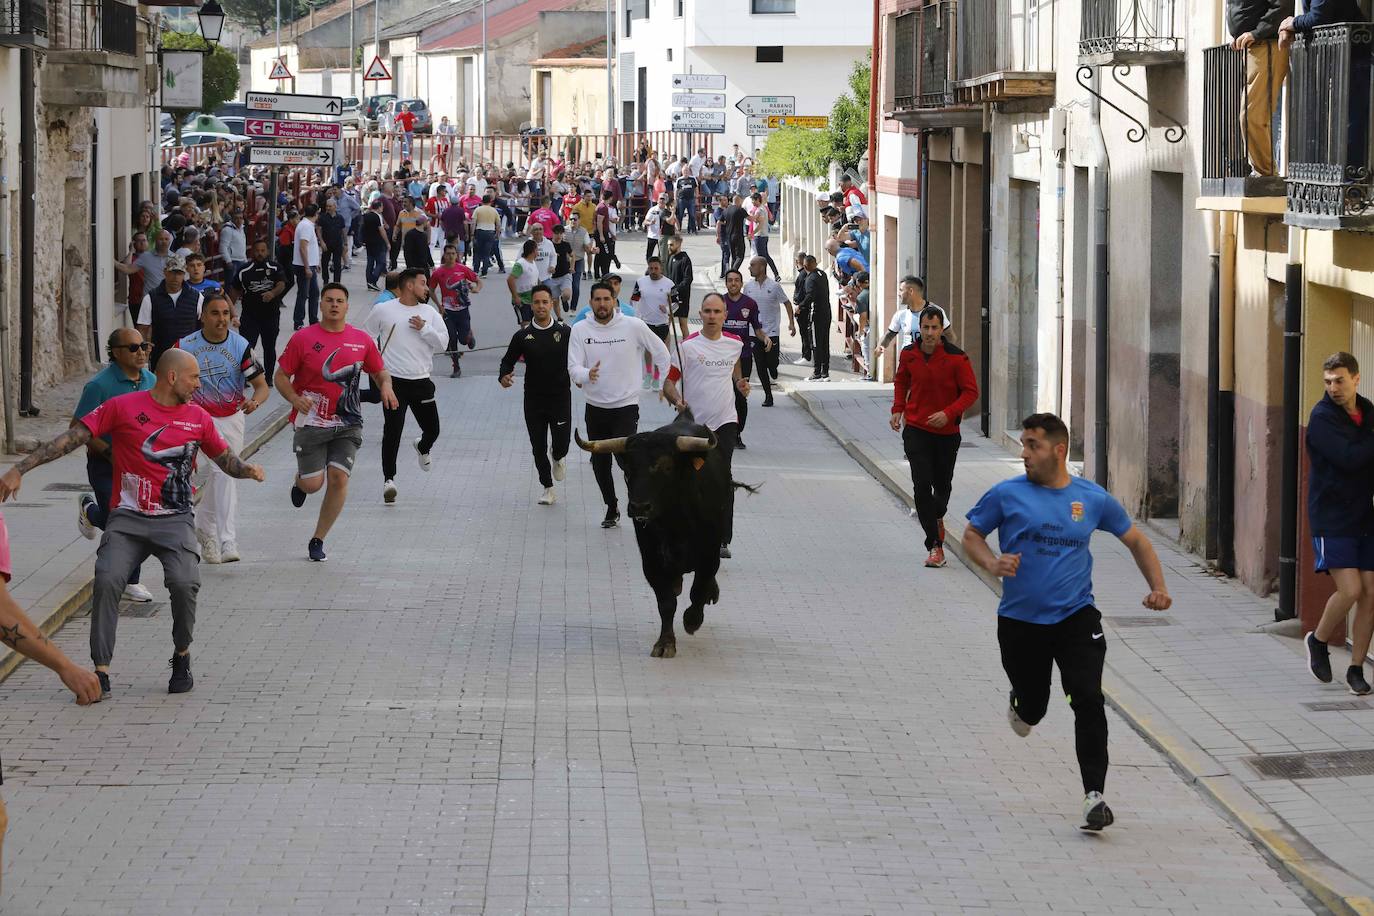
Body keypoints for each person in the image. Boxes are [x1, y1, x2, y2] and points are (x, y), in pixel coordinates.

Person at [1, 350, 266, 696]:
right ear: (172, 377)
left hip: (175, 520)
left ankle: (181, 654)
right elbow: (70, 440)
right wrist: (20, 469)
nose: (199, 384)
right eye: (194, 377)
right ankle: (102, 670)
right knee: (108, 578)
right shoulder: (123, 407)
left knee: (185, 583)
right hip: (127, 519)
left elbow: (225, 459)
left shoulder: (198, 418)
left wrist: (248, 471)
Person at [962, 412, 1171, 832]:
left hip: (1077, 617)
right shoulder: (1007, 494)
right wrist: (992, 563)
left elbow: (1136, 539)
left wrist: (1159, 587)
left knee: (1088, 699)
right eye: (1022, 444)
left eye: (1032, 445)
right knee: (1034, 709)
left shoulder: (1091, 498)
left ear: (1059, 450)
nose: (1024, 453)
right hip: (1021, 622)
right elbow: (970, 535)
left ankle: (1094, 795)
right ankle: (1021, 703)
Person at [277, 283, 397, 561]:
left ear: (347, 306)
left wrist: (387, 387)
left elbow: (380, 372)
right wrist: (295, 399)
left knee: (339, 478)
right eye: (329, 300)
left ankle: (318, 539)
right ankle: (300, 482)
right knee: (313, 485)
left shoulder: (361, 340)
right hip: (311, 423)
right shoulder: (303, 338)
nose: (334, 305)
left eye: (340, 301)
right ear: (320, 304)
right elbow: (281, 376)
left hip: (348, 422)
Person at [568, 280, 670, 528]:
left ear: (615, 301)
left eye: (607, 299)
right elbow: (573, 367)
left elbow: (661, 352)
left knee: (628, 462)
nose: (602, 304)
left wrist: (666, 382)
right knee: (600, 463)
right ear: (590, 303)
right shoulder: (580, 329)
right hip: (595, 408)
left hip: (626, 406)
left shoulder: (633, 325)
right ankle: (611, 506)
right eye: (597, 300)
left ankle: (639, 504)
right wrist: (585, 374)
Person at [177, 291, 269, 564]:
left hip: (229, 418)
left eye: (226, 314)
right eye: (215, 313)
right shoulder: (185, 345)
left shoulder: (240, 346)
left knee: (224, 475)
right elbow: (170, 381)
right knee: (197, 477)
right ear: (203, 316)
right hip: (192, 418)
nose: (221, 319)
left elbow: (261, 386)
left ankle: (223, 538)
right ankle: (211, 532)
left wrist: (255, 402)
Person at [1302, 351, 1374, 694]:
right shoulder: (1321, 419)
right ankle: (1318, 640)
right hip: (1332, 517)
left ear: (1356, 378)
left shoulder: (1368, 411)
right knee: (1351, 590)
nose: (1333, 388)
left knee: (1371, 594)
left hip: (1365, 516)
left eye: (1340, 380)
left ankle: (1356, 668)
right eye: (1328, 381)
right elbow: (1350, 459)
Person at [890, 306, 979, 568]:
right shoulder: (909, 355)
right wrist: (898, 409)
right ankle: (935, 546)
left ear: (942, 330)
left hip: (947, 433)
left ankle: (937, 516)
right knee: (921, 485)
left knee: (942, 488)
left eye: (934, 328)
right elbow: (901, 382)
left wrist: (948, 413)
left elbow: (970, 392)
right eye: (925, 328)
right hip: (916, 429)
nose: (929, 333)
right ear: (920, 328)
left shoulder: (956, 358)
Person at [73, 329, 157, 603]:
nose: (141, 352)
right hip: (105, 465)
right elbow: (78, 428)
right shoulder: (99, 385)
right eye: (134, 348)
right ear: (116, 352)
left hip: (141, 466)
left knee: (135, 521)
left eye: (144, 346)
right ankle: (126, 577)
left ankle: (91, 513)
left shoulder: (151, 380)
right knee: (118, 519)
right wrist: (108, 451)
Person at [664, 292, 744, 557]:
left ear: (725, 315)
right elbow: (668, 383)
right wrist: (677, 400)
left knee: (722, 478)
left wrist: (741, 385)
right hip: (693, 426)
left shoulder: (735, 344)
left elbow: (736, 373)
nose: (712, 316)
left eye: (717, 312)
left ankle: (722, 538)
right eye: (707, 312)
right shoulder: (687, 346)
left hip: (725, 422)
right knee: (690, 478)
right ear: (701, 314)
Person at [363, 268, 447, 504]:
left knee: (433, 430)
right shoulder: (384, 310)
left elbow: (443, 342)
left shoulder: (429, 313)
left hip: (421, 380)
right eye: (423, 283)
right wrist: (375, 364)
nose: (427, 288)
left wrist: (425, 329)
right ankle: (389, 480)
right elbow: (365, 337)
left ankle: (423, 446)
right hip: (393, 381)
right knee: (392, 431)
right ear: (409, 285)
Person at [499, 285, 572, 506]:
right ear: (532, 305)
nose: (541, 306)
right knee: (537, 446)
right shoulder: (522, 336)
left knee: (562, 443)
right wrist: (504, 377)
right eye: (537, 302)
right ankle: (547, 487)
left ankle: (558, 456)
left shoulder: (566, 332)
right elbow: (507, 361)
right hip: (533, 399)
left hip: (560, 398)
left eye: (545, 302)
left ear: (551, 304)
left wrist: (583, 375)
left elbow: (579, 358)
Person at [1228, 0, 1294, 177]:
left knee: (1252, 115)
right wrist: (1240, 35)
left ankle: (1266, 174)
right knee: (1252, 115)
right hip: (1253, 48)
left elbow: (1281, 6)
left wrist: (1255, 33)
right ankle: (1263, 172)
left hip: (1267, 45)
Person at [721, 269, 772, 447]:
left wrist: (764, 337)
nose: (733, 283)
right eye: (730, 280)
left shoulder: (749, 304)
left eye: (736, 280)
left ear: (741, 283)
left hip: (743, 357)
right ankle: (722, 433)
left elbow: (757, 329)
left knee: (740, 396)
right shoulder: (720, 303)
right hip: (722, 359)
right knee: (724, 397)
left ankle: (737, 434)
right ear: (726, 283)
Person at [742, 256, 794, 408]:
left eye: (752, 265)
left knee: (771, 362)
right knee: (759, 365)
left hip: (771, 332)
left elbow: (787, 303)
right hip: (754, 332)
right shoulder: (748, 287)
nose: (749, 268)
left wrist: (791, 323)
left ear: (762, 267)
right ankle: (768, 396)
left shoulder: (775, 286)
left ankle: (773, 367)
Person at [136, 254, 203, 367]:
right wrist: (142, 352)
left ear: (184, 274)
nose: (175, 277)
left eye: (179, 273)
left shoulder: (197, 297)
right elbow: (142, 329)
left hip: (190, 356)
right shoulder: (151, 298)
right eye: (172, 272)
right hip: (161, 357)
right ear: (165, 272)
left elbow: (204, 325)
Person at [430, 245, 482, 378]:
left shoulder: (462, 269)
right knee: (451, 339)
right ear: (444, 255)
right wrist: (439, 305)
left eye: (453, 253)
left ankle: (469, 336)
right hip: (448, 311)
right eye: (448, 254)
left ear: (456, 255)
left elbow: (478, 280)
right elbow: (430, 290)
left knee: (463, 341)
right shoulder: (438, 272)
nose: (451, 256)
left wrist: (477, 288)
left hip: (463, 310)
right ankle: (456, 367)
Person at [798, 255, 831, 381]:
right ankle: (825, 372)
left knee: (816, 343)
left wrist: (800, 307)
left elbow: (809, 296)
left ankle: (817, 372)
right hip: (827, 313)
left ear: (805, 266)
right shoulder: (822, 274)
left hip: (816, 314)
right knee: (825, 342)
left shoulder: (810, 278)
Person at [630, 256, 675, 342]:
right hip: (645, 323)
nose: (653, 271)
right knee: (648, 350)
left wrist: (668, 309)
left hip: (662, 323)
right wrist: (637, 317)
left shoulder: (669, 284)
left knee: (661, 349)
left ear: (661, 268)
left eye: (656, 268)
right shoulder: (640, 282)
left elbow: (676, 303)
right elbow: (634, 300)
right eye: (651, 268)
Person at [293, 203, 322, 330]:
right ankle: (298, 321)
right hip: (304, 266)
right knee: (303, 294)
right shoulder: (306, 226)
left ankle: (313, 319)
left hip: (310, 265)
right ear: (316, 213)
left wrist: (316, 262)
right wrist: (306, 267)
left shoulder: (307, 225)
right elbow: (303, 247)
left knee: (314, 293)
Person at [665, 234, 694, 342]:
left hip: (682, 298)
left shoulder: (685, 259)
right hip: (670, 297)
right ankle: (666, 352)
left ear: (679, 244)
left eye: (671, 245)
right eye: (668, 245)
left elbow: (688, 279)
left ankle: (686, 349)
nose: (669, 247)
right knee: (666, 326)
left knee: (683, 325)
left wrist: (676, 290)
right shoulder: (671, 257)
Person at [508, 238, 541, 326]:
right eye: (537, 249)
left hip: (532, 300)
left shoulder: (533, 263)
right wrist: (515, 297)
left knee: (534, 325)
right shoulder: (520, 264)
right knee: (526, 326)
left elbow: (536, 279)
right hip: (522, 301)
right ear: (533, 251)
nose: (538, 252)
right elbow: (510, 279)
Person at [750, 192, 780, 281]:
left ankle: (764, 275)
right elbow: (755, 218)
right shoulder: (761, 209)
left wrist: (752, 233)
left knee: (762, 258)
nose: (752, 203)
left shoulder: (760, 210)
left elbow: (760, 224)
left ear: (757, 200)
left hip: (760, 236)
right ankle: (774, 274)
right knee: (765, 256)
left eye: (753, 201)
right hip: (762, 235)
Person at [318, 198, 347, 284]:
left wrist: (345, 243)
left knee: (337, 264)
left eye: (330, 206)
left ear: (335, 206)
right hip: (326, 243)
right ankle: (325, 281)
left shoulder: (340, 218)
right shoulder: (322, 217)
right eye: (327, 206)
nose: (328, 208)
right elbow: (319, 230)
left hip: (337, 243)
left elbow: (343, 231)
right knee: (324, 263)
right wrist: (321, 242)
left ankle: (336, 282)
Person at [547, 224, 575, 313]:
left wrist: (572, 267)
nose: (558, 236)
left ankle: (564, 299)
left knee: (567, 294)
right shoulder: (549, 244)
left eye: (560, 233)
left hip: (565, 274)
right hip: (552, 277)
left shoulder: (566, 244)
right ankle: (559, 318)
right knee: (555, 301)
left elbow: (572, 255)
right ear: (553, 234)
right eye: (556, 233)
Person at [792, 251, 813, 363]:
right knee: (805, 332)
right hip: (803, 306)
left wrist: (798, 306)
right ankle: (805, 354)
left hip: (802, 308)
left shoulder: (802, 275)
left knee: (804, 332)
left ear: (797, 262)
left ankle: (806, 355)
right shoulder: (805, 273)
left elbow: (801, 293)